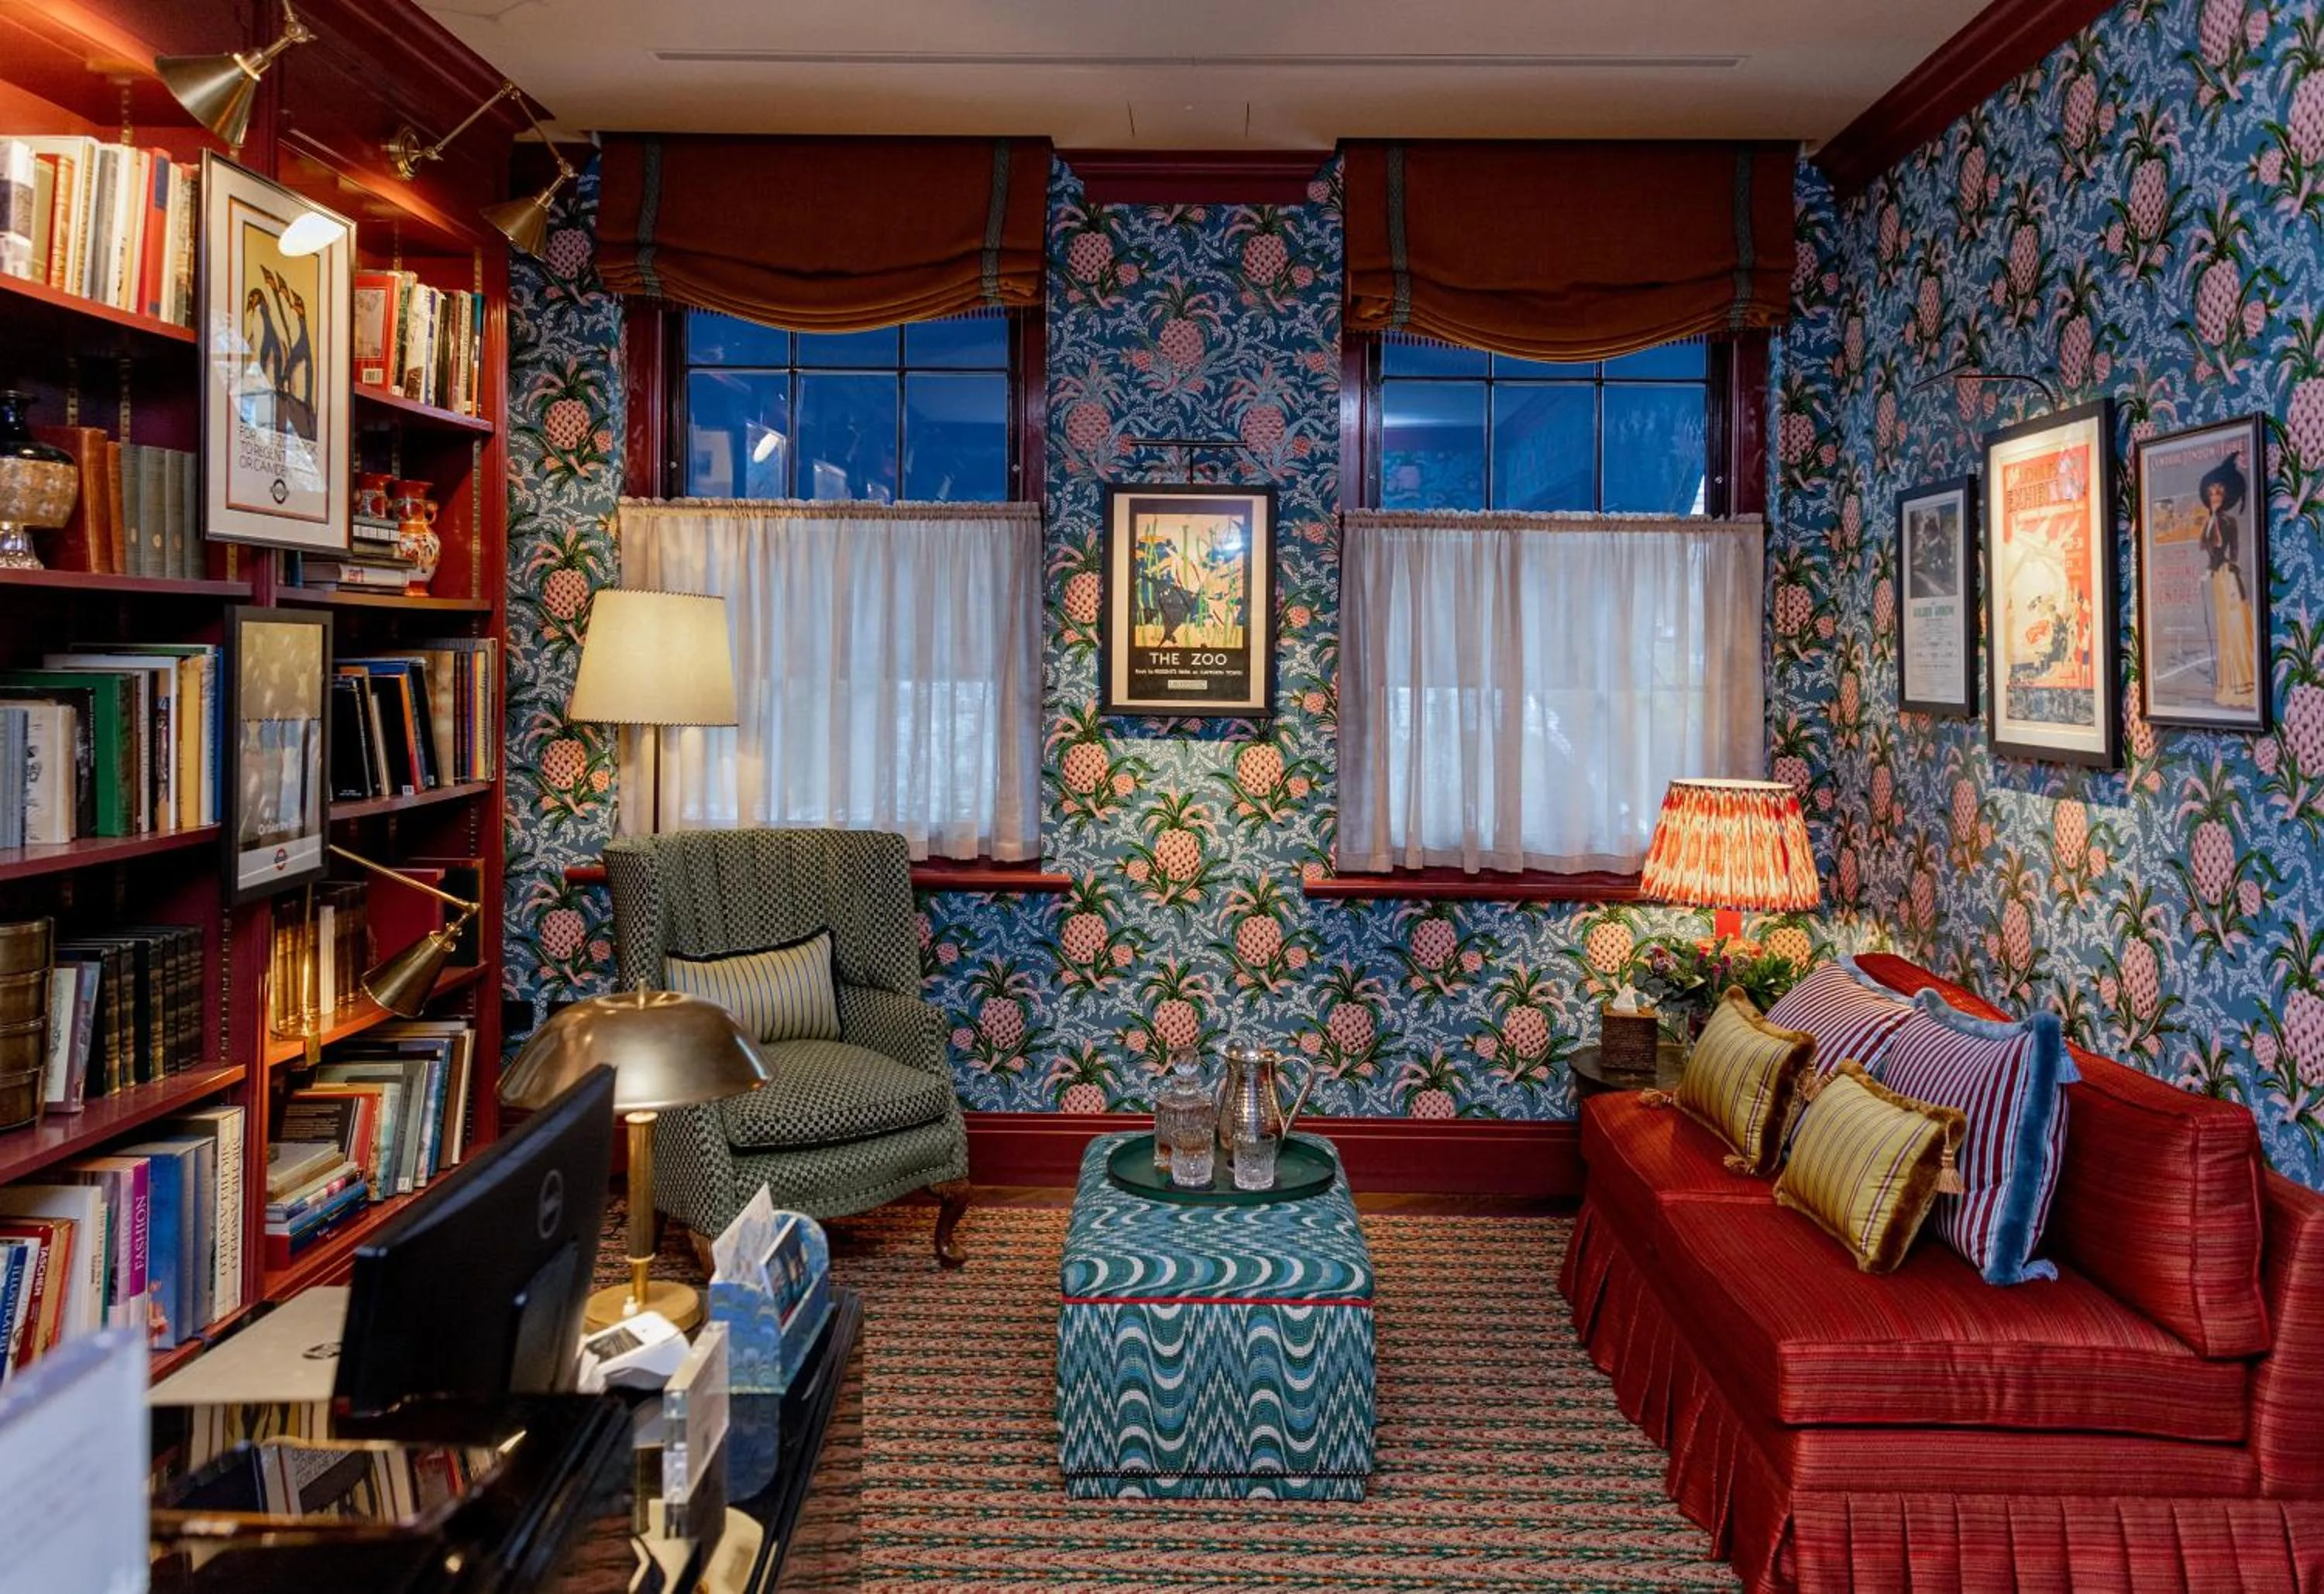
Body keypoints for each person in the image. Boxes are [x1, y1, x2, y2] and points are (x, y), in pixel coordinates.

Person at [2198, 452, 2256, 706]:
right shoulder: (2210, 521)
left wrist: (2215, 569)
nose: (2215, 498)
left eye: (2218, 494)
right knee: (2224, 629)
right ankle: (2229, 683)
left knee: (2234, 627)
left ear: (2225, 497)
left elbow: (2225, 551)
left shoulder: (2226, 521)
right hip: (2219, 578)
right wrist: (2209, 571)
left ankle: (2243, 683)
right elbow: (2212, 551)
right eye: (2212, 495)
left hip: (2228, 579)